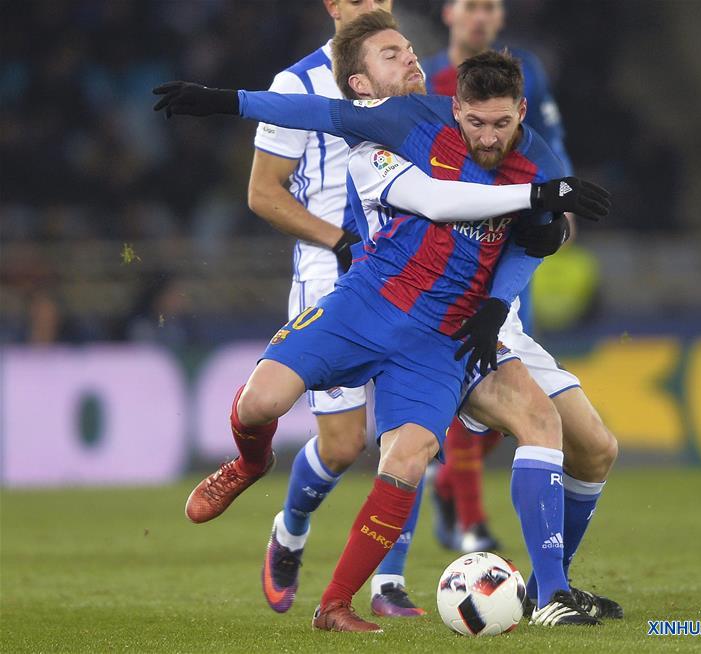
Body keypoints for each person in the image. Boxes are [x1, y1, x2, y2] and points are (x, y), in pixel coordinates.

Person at [154, 12, 611, 631]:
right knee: (268, 405)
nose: (486, 134)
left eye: (409, 49)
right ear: (362, 82)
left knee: (425, 451)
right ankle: (255, 467)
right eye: (392, 53)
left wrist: (505, 292)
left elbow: (528, 242)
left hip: (451, 325)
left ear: (521, 112)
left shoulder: (500, 145)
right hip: (369, 299)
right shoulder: (387, 130)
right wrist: (223, 102)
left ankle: (350, 601)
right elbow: (428, 195)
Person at [242, 0, 430, 619]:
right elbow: (263, 193)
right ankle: (291, 529)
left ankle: (389, 582)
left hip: (408, 267)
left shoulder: (408, 72)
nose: (373, 5)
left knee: (412, 431)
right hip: (332, 271)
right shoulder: (295, 85)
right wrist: (338, 240)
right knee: (345, 444)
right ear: (333, 5)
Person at [421, 0, 578, 554]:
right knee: (469, 385)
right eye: (471, 6)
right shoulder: (426, 78)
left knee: (507, 406)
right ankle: (471, 522)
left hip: (510, 249)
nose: (481, 17)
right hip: (454, 256)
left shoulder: (527, 70)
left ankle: (448, 484)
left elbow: (550, 147)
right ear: (449, 14)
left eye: (490, 6)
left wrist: (562, 209)